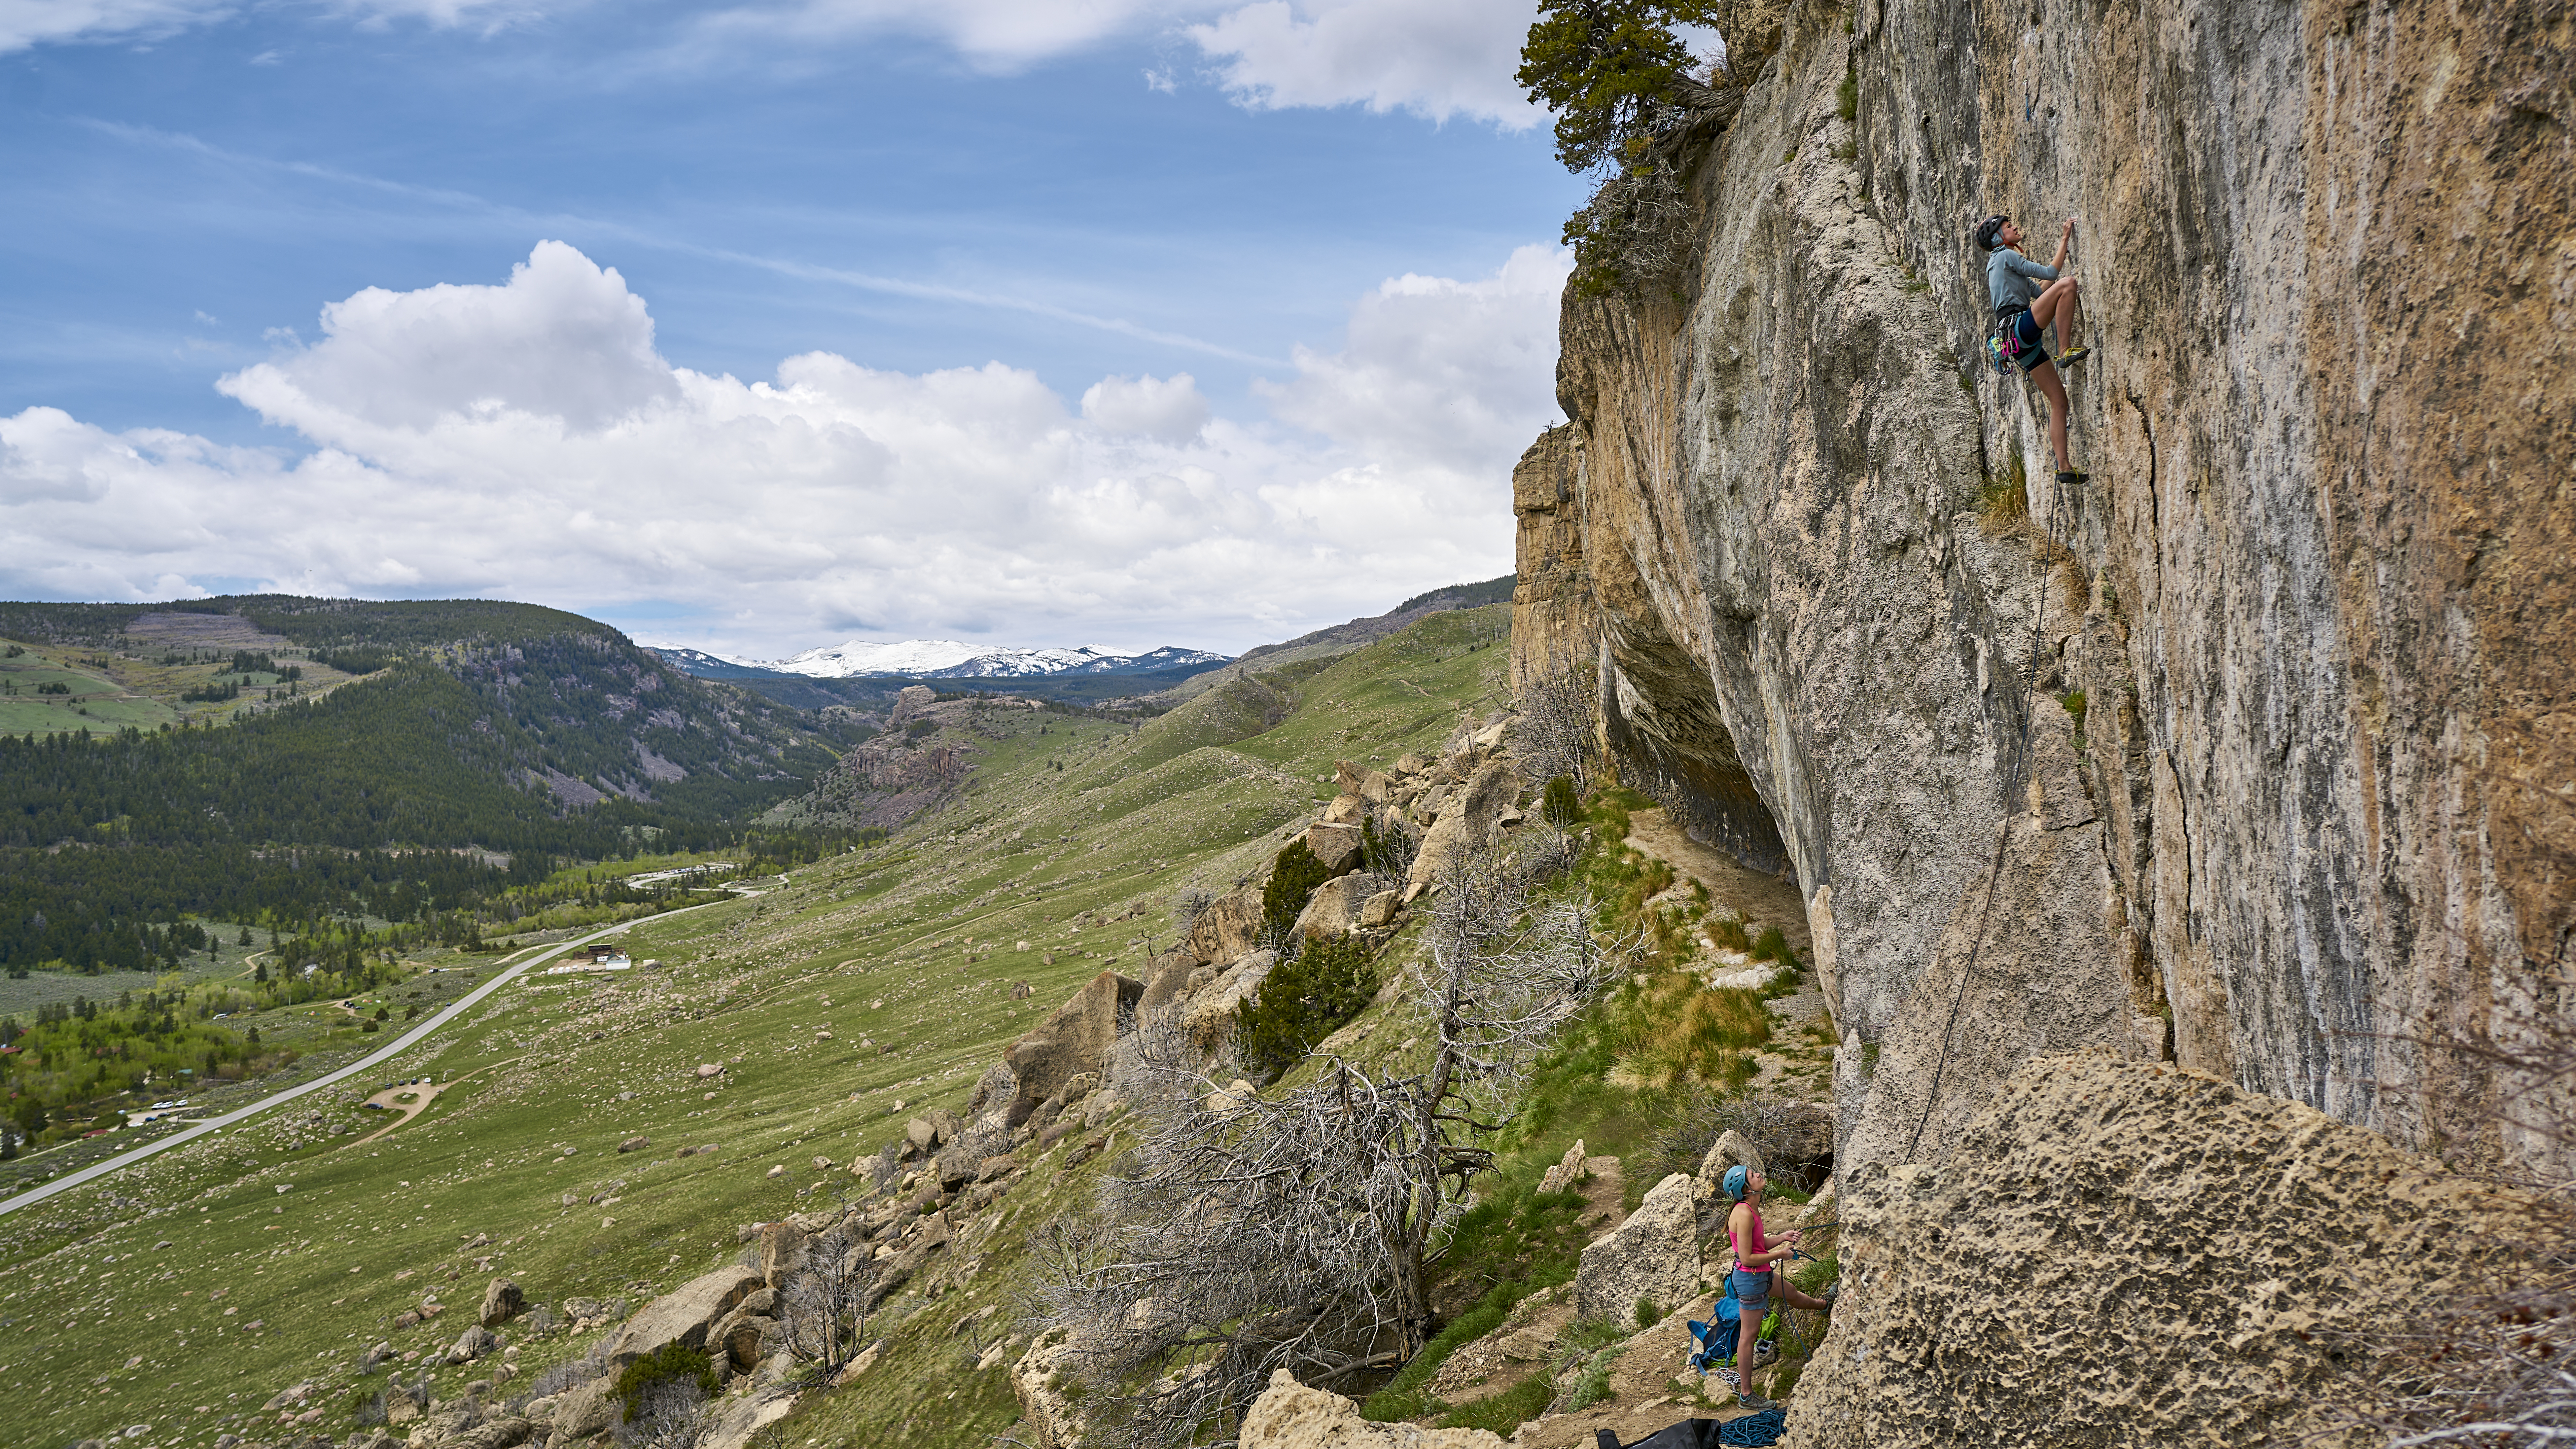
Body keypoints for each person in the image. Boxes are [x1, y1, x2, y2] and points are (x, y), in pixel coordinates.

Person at [1974, 213, 2091, 482]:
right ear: (1998, 238)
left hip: (2015, 343)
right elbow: (2053, 275)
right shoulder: (2005, 256)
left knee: (2059, 401)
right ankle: (2064, 351)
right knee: (2069, 284)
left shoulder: (1999, 264)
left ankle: (2063, 468)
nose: (2014, 227)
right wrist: (2064, 239)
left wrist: (2056, 284)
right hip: (2018, 327)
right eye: (2007, 227)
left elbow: (2041, 292)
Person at [1721, 1163, 1833, 1411]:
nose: (1758, 1174)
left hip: (1757, 1276)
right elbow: (1748, 1257)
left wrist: (1782, 1238)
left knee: (1790, 1293)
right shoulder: (1744, 1213)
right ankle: (1747, 1395)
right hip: (1750, 1279)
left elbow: (1758, 1244)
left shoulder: (1750, 1209)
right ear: (1746, 1189)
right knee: (1748, 1338)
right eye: (1752, 1175)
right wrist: (1781, 1254)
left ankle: (1824, 1306)